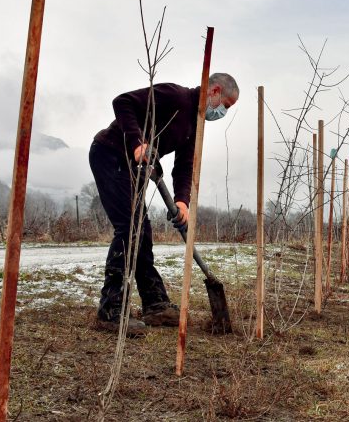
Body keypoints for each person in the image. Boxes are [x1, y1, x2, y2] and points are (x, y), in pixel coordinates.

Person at [89, 73, 239, 335]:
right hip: (110, 154)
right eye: (226, 105)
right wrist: (137, 143)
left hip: (136, 168)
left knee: (141, 231)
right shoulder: (175, 96)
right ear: (214, 91)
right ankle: (110, 311)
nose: (223, 112)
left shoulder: (194, 125)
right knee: (130, 229)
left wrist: (182, 202)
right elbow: (122, 102)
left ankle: (155, 304)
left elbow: (184, 167)